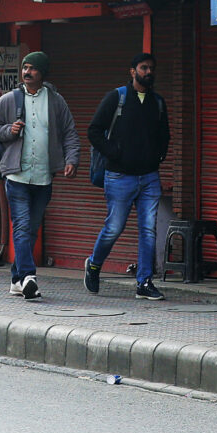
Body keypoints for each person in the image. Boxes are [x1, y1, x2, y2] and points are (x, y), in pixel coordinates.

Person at [0, 52, 78, 300]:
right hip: (17, 176)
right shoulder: (10, 99)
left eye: (33, 68)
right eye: (25, 67)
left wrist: (71, 159)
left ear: (43, 73)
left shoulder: (56, 101)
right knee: (22, 227)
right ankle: (29, 277)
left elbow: (69, 132)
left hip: (44, 178)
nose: (27, 72)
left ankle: (16, 279)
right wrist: (8, 130)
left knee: (31, 229)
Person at [84, 52, 172, 301]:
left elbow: (165, 135)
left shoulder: (158, 103)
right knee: (114, 227)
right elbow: (94, 130)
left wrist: (158, 157)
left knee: (148, 230)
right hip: (119, 177)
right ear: (132, 71)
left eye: (151, 68)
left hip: (149, 177)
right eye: (143, 68)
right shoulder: (117, 97)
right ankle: (93, 264)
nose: (148, 72)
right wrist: (115, 153)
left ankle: (144, 282)